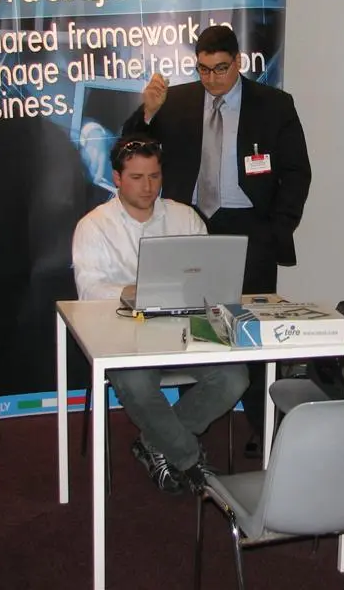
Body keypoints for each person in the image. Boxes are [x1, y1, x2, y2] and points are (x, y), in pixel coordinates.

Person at [123, 24, 311, 456]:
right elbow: (133, 149)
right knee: (191, 325)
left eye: (220, 69)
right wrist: (147, 113)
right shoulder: (178, 101)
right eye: (203, 70)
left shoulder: (274, 104)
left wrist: (277, 230)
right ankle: (184, 428)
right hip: (191, 224)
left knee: (251, 331)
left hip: (250, 228)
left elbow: (297, 172)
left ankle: (263, 427)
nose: (211, 79)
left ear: (238, 62)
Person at [71, 133, 249, 494]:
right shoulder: (94, 225)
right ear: (117, 178)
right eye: (137, 177)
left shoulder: (184, 217)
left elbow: (210, 276)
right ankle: (189, 459)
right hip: (123, 335)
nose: (148, 186)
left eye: (154, 176)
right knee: (137, 385)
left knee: (234, 378)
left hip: (186, 329)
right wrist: (129, 291)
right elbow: (87, 290)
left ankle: (154, 442)